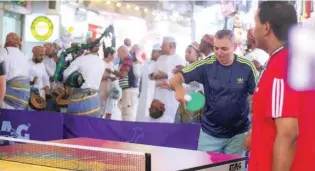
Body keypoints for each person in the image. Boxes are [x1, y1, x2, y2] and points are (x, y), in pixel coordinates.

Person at [247, 2, 315, 171]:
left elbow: (288, 133)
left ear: (266, 27)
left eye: (255, 22)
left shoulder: (281, 66)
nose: (252, 30)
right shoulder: (292, 60)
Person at [170, 30, 257, 155]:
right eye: (216, 48)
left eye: (224, 49)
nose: (219, 53)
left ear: (234, 47)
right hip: (209, 134)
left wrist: (252, 131)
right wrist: (179, 90)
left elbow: (259, 100)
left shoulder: (247, 67)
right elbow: (175, 79)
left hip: (238, 135)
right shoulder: (206, 64)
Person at [63, 38, 105, 117]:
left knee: (76, 125)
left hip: (80, 99)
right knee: (92, 126)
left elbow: (65, 74)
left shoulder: (81, 60)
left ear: (87, 46)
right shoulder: (102, 63)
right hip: (95, 99)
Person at [149, 36, 186, 123]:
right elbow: (151, 74)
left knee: (170, 118)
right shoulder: (160, 58)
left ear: (171, 46)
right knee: (157, 119)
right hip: (158, 94)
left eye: (163, 45)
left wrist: (166, 75)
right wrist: (154, 75)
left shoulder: (179, 59)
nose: (161, 47)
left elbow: (181, 77)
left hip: (171, 96)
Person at [175, 42, 204, 124]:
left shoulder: (200, 68)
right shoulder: (186, 68)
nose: (186, 54)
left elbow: (198, 87)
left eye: (189, 52)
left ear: (197, 54)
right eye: (185, 52)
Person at [0, 33, 30, 110]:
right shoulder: (23, 55)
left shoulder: (4, 52)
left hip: (8, 96)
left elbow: (2, 75)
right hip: (24, 97)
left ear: (6, 41)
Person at [111, 45, 141, 121]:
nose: (118, 56)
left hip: (129, 90)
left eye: (119, 53)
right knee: (124, 109)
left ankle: (127, 130)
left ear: (124, 52)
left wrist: (112, 71)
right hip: (127, 90)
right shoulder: (127, 60)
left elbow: (123, 75)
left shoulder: (127, 59)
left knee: (127, 114)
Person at [136, 44, 161, 121]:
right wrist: (135, 63)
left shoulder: (161, 64)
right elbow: (138, 74)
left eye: (155, 52)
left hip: (155, 95)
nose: (152, 53)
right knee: (141, 115)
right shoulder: (147, 63)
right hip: (143, 95)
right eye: (152, 51)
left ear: (160, 53)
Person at [99, 46, 121, 120]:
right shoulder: (100, 63)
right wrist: (108, 77)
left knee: (110, 110)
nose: (115, 57)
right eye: (114, 55)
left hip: (111, 90)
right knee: (100, 110)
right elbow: (97, 77)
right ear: (109, 55)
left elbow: (116, 74)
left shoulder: (111, 64)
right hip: (102, 89)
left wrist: (115, 77)